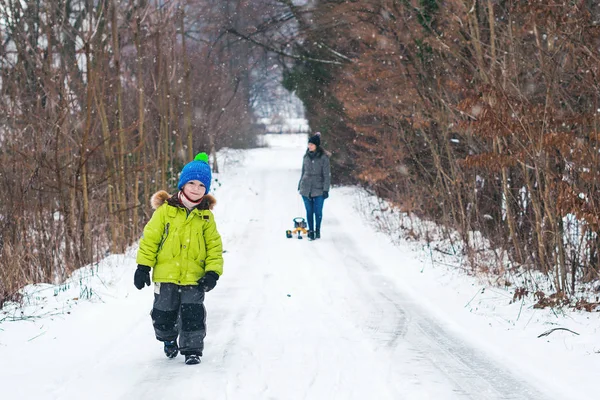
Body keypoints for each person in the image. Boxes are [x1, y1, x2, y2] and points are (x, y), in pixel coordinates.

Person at [134, 152, 223, 365]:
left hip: (194, 278)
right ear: (182, 184)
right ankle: (168, 339)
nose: (196, 188)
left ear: (206, 189)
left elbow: (214, 247)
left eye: (202, 185)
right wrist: (143, 267)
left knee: (193, 317)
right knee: (163, 316)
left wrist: (212, 272)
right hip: (166, 276)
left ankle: (192, 350)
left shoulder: (206, 218)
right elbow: (150, 240)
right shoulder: (165, 212)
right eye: (191, 183)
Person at [298, 132, 331, 240]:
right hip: (305, 188)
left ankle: (317, 230)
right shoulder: (306, 156)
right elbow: (303, 171)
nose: (309, 146)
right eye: (309, 144)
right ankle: (311, 231)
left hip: (319, 188)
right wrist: (300, 185)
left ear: (316, 145)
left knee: (318, 212)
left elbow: (327, 175)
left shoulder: (323, 158)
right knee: (309, 211)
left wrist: (326, 189)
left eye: (311, 144)